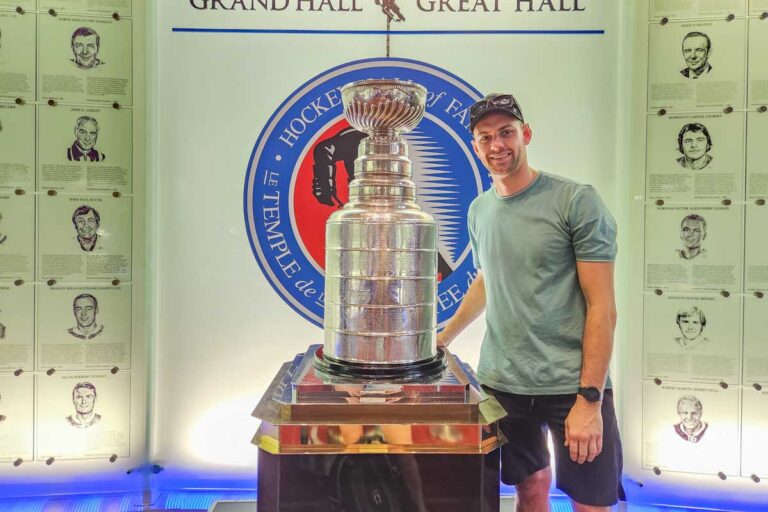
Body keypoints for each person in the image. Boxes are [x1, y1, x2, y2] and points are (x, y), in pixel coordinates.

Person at [437, 93, 622, 511]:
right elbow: (488, 281)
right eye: (485, 137)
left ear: (526, 134)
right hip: (505, 384)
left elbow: (603, 307)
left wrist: (589, 398)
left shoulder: (576, 201)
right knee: (530, 488)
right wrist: (443, 339)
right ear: (475, 146)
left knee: (591, 501)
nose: (497, 145)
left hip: (570, 385)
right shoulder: (479, 210)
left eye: (506, 133)